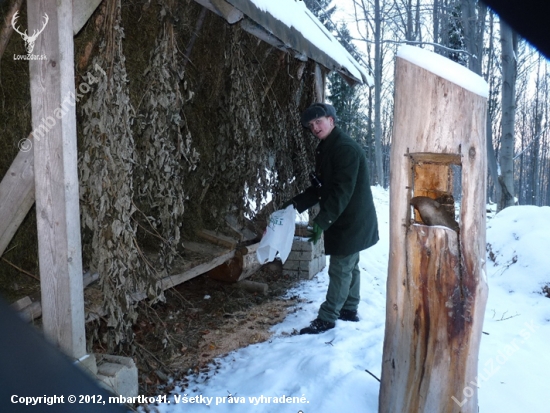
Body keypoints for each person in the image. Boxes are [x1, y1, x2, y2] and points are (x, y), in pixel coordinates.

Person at [284, 103, 379, 335]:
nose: (315, 127)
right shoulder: (328, 146)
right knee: (350, 265)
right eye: (311, 125)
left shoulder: (344, 148)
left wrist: (321, 222)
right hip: (344, 217)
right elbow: (321, 188)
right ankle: (349, 308)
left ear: (331, 120)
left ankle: (327, 318)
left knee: (341, 269)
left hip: (351, 220)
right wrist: (292, 206)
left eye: (319, 121)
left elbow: (341, 192)